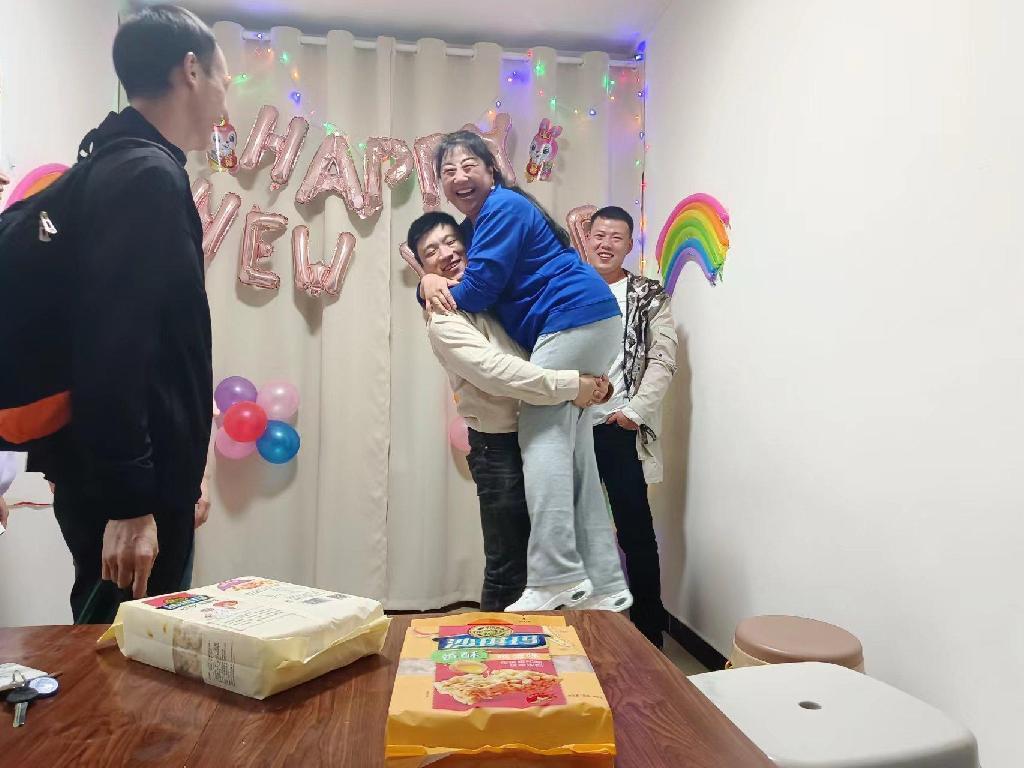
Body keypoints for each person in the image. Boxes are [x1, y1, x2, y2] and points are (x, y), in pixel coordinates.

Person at [26, 5, 228, 622]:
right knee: (125, 666)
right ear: (190, 70)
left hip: (130, 483)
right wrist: (130, 502)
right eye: (222, 77)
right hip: (130, 498)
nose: (224, 97)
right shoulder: (144, 176)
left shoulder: (116, 162)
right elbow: (113, 348)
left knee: (124, 658)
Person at [420, 131, 631, 612]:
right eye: (448, 171)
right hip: (589, 317)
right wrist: (428, 280)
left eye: (468, 166)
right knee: (576, 454)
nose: (459, 177)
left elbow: (478, 291)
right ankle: (604, 582)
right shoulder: (483, 224)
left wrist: (427, 286)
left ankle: (556, 574)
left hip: (573, 316)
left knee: (544, 441)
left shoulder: (502, 209)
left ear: (491, 170)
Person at [586, 206, 678, 648]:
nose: (606, 244)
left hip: (618, 429)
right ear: (587, 238)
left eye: (616, 237)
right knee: (570, 531)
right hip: (569, 428)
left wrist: (632, 414)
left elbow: (663, 358)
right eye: (599, 235)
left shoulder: (647, 294)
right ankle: (579, 628)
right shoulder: (566, 284)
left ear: (629, 245)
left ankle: (648, 635)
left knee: (636, 531)